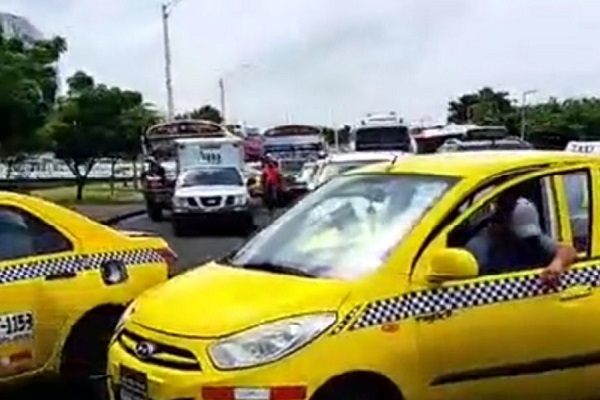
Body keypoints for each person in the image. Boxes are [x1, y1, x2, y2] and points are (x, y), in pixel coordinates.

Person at [464, 190, 576, 286]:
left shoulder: (532, 240)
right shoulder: (479, 248)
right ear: (501, 224)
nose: (524, 239)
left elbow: (567, 250)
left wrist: (557, 264)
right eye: (518, 233)